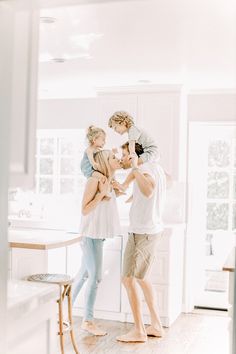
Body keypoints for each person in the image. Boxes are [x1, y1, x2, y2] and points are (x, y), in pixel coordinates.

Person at [116, 142, 166, 343]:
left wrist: (136, 169)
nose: (121, 160)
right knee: (142, 278)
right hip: (149, 230)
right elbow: (147, 193)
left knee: (128, 279)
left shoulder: (143, 168)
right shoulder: (155, 167)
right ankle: (156, 325)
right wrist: (127, 192)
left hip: (142, 232)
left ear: (133, 156)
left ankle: (139, 330)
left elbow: (149, 190)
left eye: (123, 156)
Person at [72, 150, 122, 336]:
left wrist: (114, 190)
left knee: (84, 275)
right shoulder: (95, 181)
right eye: (113, 158)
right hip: (91, 235)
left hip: (97, 234)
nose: (117, 160)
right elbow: (85, 210)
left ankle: (62, 313)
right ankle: (88, 321)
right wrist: (101, 194)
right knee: (95, 277)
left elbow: (106, 207)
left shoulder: (108, 180)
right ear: (104, 162)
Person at [108, 111, 160, 193]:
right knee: (135, 166)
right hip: (152, 152)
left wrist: (132, 155)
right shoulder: (133, 130)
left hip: (151, 151)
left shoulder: (133, 129)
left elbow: (131, 145)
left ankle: (125, 185)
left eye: (115, 127)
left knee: (134, 165)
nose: (115, 131)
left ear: (123, 122)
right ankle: (125, 185)